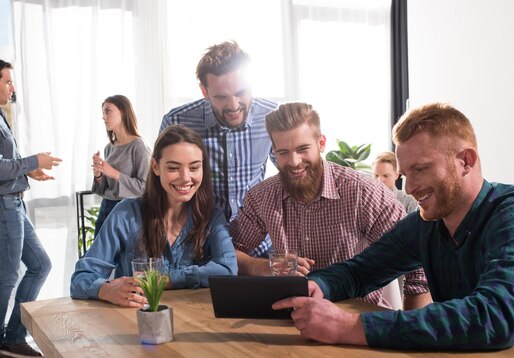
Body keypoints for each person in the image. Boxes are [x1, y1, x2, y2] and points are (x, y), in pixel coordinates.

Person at [272, 103, 514, 350]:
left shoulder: (508, 215)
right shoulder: (426, 224)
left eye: (420, 169)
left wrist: (351, 327)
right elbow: (361, 271)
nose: (408, 188)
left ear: (466, 160)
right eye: (406, 174)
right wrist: (317, 285)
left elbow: (496, 316)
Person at [230, 102, 431, 309]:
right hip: (291, 315)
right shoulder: (262, 197)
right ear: (274, 151)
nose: (294, 161)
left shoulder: (364, 193)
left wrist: (409, 331)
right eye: (283, 152)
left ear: (321, 143)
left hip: (356, 317)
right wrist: (263, 267)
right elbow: (229, 254)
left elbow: (417, 262)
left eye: (302, 149)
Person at [71, 125, 238, 307]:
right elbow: (82, 278)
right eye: (174, 168)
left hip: (195, 322)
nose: (185, 177)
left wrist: (165, 280)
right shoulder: (126, 214)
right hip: (133, 322)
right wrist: (106, 289)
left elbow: (227, 269)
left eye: (194, 167)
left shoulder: (212, 217)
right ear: (156, 167)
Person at [0, 58, 61, 357]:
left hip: (9, 204)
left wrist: (26, 171)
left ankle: (13, 338)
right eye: (8, 81)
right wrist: (33, 162)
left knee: (41, 265)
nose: (12, 87)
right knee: (4, 280)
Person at [160, 41, 276, 231]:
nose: (234, 105)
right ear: (205, 91)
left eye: (241, 93)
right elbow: (163, 184)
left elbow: (292, 175)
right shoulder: (177, 121)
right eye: (221, 97)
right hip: (199, 239)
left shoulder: (271, 117)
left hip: (257, 239)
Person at [91, 95, 151, 236]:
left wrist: (114, 173)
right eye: (103, 113)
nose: (104, 117)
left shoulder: (139, 146)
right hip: (106, 207)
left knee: (124, 256)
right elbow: (103, 190)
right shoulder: (109, 148)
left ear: (123, 111)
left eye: (108, 111)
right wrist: (98, 174)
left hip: (129, 211)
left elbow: (145, 188)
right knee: (98, 256)